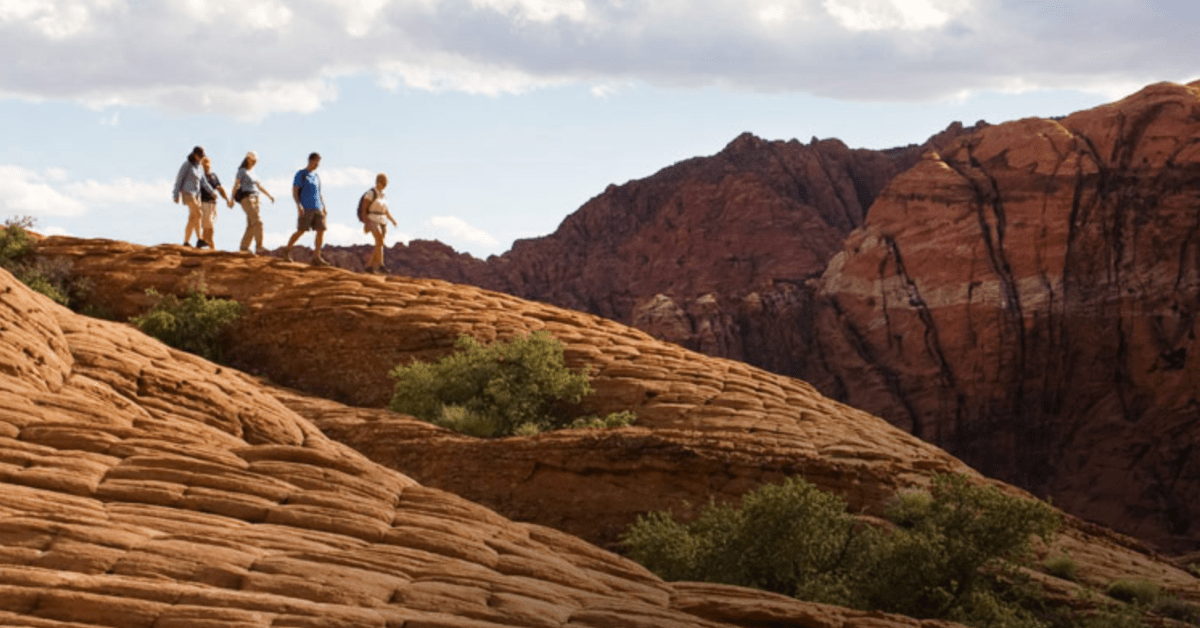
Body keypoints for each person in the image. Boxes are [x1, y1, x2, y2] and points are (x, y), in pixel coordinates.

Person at [283, 152, 329, 265]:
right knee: (301, 230)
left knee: (321, 230)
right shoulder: (301, 174)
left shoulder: (316, 176)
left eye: (319, 161)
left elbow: (319, 192)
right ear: (311, 160)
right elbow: (295, 190)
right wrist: (298, 205)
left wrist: (324, 206)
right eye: (317, 161)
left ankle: (316, 257)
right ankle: (286, 251)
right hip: (306, 207)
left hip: (318, 207)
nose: (318, 164)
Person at [172, 146, 216, 247]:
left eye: (202, 156)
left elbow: (203, 181)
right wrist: (176, 194)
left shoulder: (200, 167)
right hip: (187, 193)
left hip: (196, 195)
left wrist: (212, 192)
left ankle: (186, 242)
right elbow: (179, 179)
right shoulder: (187, 165)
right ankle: (199, 239)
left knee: (193, 217)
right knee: (199, 213)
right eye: (200, 156)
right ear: (194, 154)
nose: (201, 158)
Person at [232, 151, 275, 255]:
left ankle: (244, 248)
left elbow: (259, 186)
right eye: (253, 159)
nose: (255, 161)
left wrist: (269, 195)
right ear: (247, 159)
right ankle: (259, 247)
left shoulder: (253, 172)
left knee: (251, 224)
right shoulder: (242, 171)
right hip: (247, 198)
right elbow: (236, 185)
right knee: (258, 222)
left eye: (255, 160)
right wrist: (231, 199)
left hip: (256, 199)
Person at [359, 173, 398, 274]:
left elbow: (385, 210)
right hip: (372, 219)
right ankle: (381, 265)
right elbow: (364, 208)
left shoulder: (383, 195)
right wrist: (366, 222)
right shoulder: (371, 193)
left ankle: (370, 266)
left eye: (386, 184)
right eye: (383, 183)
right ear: (378, 182)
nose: (385, 186)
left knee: (379, 244)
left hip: (382, 220)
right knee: (379, 240)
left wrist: (392, 220)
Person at [198, 157, 232, 249]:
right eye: (204, 164)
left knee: (210, 228)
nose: (206, 166)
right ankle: (210, 248)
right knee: (208, 227)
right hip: (204, 204)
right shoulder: (199, 177)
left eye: (208, 164)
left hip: (213, 205)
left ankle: (202, 248)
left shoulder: (213, 176)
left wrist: (227, 200)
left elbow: (220, 189)